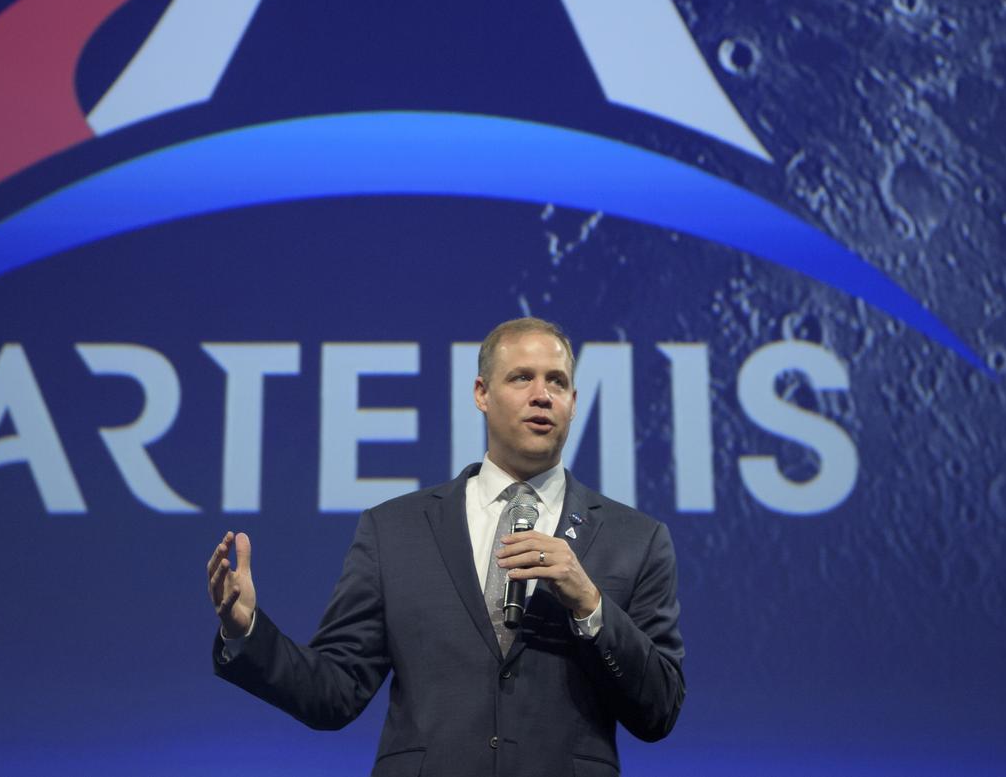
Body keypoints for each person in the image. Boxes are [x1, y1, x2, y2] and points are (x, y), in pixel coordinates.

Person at [207, 317, 685, 776]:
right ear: (482, 393)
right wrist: (246, 630)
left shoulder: (636, 539)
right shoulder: (395, 529)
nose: (542, 395)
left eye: (557, 382)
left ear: (574, 402)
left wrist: (590, 605)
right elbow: (334, 692)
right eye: (522, 378)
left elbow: (659, 710)